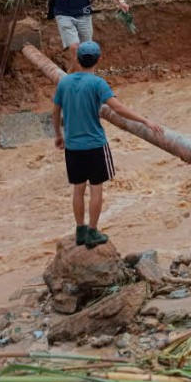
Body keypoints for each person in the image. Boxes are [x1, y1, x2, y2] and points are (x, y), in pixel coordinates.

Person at [53, 41, 163, 248]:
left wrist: (59, 135)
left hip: (73, 146)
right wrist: (145, 121)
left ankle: (80, 230)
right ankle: (93, 232)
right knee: (96, 188)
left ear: (77, 59)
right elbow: (118, 108)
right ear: (99, 60)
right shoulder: (97, 84)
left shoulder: (64, 83)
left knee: (78, 189)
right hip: (95, 144)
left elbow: (56, 110)